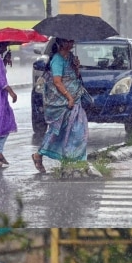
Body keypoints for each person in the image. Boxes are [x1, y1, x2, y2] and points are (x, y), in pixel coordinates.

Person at [34, 38, 88, 173]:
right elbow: (57, 82)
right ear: (60, 43)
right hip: (62, 102)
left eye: (72, 41)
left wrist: (76, 68)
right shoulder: (57, 60)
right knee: (56, 132)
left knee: (77, 131)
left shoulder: (70, 57)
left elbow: (74, 77)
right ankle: (39, 155)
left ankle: (74, 160)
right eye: (68, 41)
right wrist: (69, 98)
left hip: (75, 100)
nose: (71, 44)